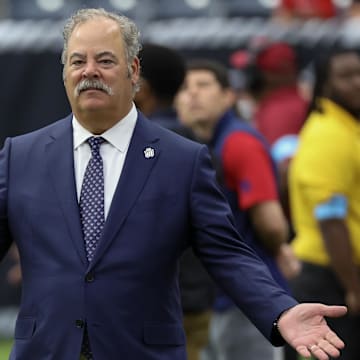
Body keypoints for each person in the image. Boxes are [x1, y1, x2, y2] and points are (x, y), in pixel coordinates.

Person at [0, 7, 347, 360]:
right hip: (45, 350)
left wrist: (280, 311)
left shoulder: (183, 160)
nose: (89, 71)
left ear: (133, 71)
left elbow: (226, 253)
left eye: (105, 60)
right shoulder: (21, 156)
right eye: (77, 61)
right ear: (64, 73)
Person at [175, 59, 300, 360]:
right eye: (185, 88)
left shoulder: (239, 143)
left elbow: (271, 224)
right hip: (214, 299)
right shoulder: (199, 145)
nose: (192, 94)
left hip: (247, 299)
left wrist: (278, 246)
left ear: (229, 96)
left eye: (203, 85)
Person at [134, 42, 215, 360]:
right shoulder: (196, 144)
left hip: (155, 302)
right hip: (196, 296)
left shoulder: (141, 146)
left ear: (141, 88)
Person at [289, 46, 360, 360]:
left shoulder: (347, 127)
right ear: (325, 84)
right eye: (346, 76)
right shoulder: (328, 134)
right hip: (330, 279)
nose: (357, 82)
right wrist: (354, 287)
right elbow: (330, 219)